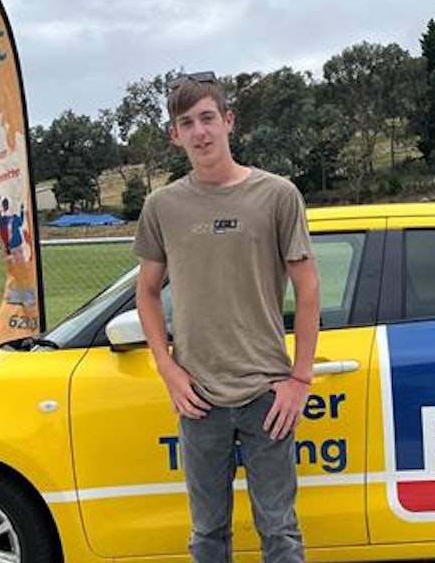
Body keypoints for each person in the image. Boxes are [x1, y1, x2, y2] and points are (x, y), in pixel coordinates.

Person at [133, 71, 320, 563]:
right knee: (208, 534)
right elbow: (147, 293)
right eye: (186, 122)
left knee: (279, 530)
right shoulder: (162, 207)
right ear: (175, 135)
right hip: (198, 398)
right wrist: (167, 367)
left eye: (208, 118)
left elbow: (308, 289)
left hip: (267, 393)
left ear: (228, 121)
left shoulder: (278, 195)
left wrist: (300, 377)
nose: (200, 131)